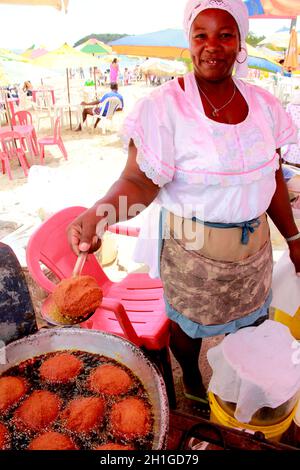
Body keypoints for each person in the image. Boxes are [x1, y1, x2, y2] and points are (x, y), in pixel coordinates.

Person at [68, 0, 300, 403]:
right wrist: (100, 213)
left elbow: (273, 176)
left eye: (225, 35)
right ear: (189, 42)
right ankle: (192, 382)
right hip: (193, 253)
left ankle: (241, 392)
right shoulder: (162, 108)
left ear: (239, 42)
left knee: (252, 330)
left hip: (255, 251)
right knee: (187, 331)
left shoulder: (265, 106)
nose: (213, 45)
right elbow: (137, 181)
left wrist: (294, 240)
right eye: (201, 35)